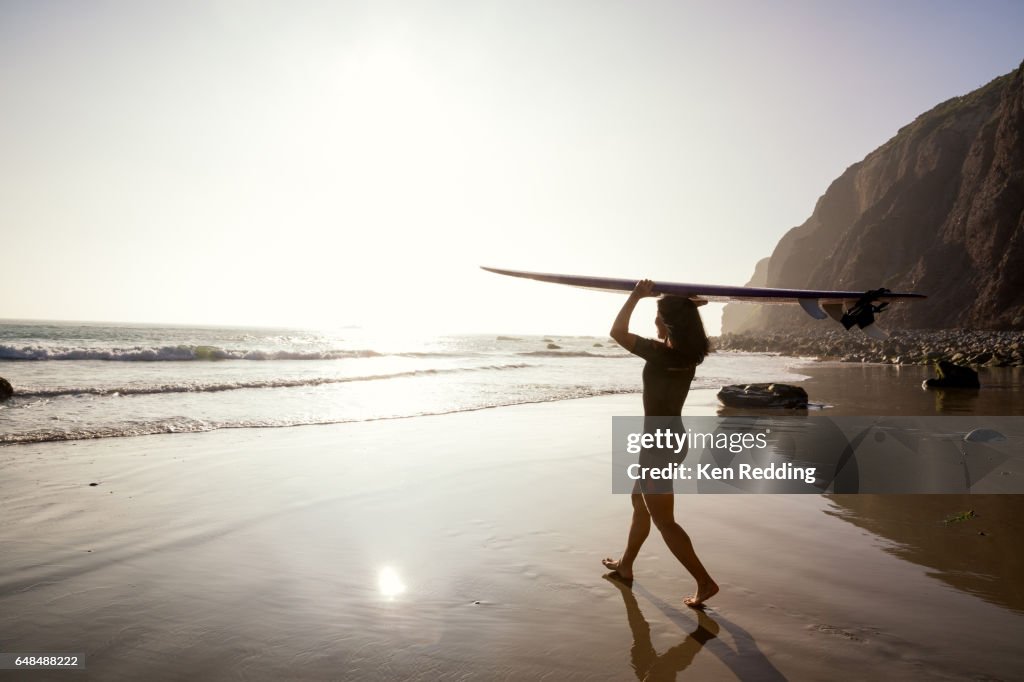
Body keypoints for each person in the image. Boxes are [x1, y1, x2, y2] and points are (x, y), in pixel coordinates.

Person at [602, 279, 719, 608]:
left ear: (669, 324)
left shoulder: (661, 354)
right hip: (671, 438)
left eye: (658, 317)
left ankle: (705, 582)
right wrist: (686, 307)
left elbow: (616, 331)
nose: (654, 322)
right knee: (640, 501)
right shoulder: (690, 354)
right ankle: (626, 566)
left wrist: (636, 296)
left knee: (663, 520)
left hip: (658, 445)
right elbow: (681, 331)